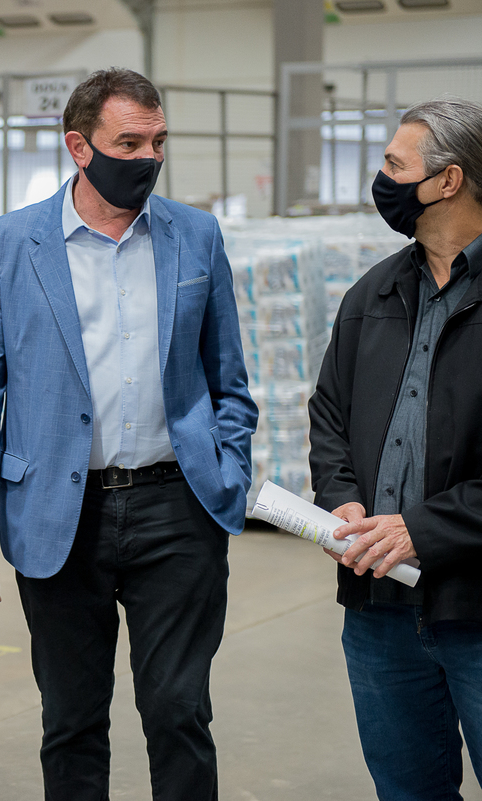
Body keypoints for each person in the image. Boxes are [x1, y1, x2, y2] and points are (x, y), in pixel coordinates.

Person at [0, 68, 257, 801]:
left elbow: (229, 379)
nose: (149, 157)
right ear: (79, 147)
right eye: (130, 144)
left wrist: (228, 467)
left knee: (179, 711)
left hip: (177, 508)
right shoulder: (5, 246)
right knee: (72, 719)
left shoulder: (196, 236)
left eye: (159, 142)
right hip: (59, 511)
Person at [308, 97, 482, 801]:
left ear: (448, 181)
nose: (380, 180)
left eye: (393, 165)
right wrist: (341, 500)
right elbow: (329, 414)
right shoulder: (372, 294)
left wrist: (422, 530)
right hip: (379, 607)